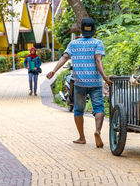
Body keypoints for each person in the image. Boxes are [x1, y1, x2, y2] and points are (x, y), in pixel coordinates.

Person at [47, 18, 112, 148]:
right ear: (94, 30)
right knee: (98, 107)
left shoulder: (73, 44)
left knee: (78, 110)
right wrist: (105, 77)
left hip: (79, 82)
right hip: (95, 82)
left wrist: (54, 70)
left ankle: (82, 138)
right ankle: (97, 131)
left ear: (81, 30)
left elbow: (64, 57)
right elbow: (98, 61)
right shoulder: (98, 43)